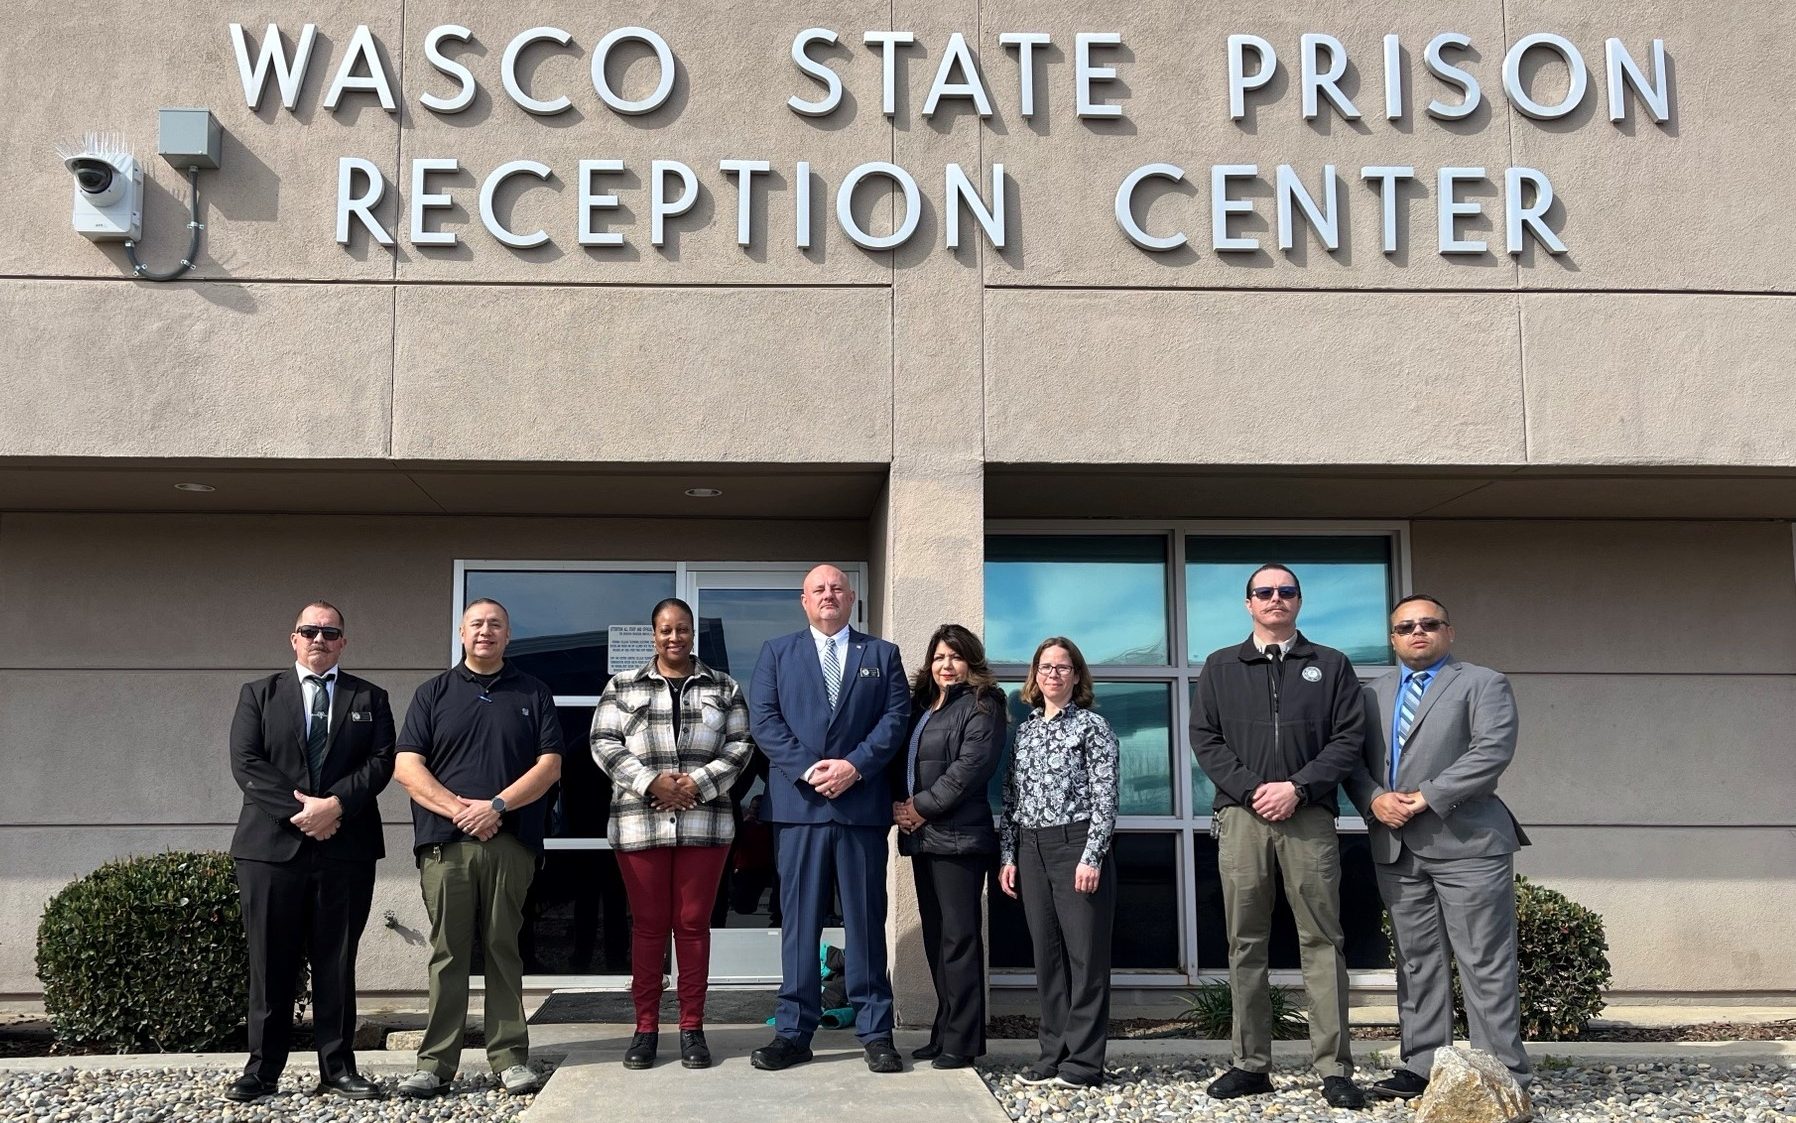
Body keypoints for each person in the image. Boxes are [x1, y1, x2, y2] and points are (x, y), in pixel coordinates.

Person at [1191, 564, 1368, 1109]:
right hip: (1242, 819)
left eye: (1285, 591)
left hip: (1308, 816)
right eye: (1264, 592)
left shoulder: (1332, 666)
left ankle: (1334, 1068)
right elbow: (1206, 738)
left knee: (1322, 940)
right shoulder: (1221, 666)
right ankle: (1251, 1064)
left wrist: (1297, 786)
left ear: (1299, 601)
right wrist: (1252, 791)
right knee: (1246, 942)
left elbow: (1348, 739)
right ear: (1248, 604)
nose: (1275, 599)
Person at [1346, 595, 1531, 1098]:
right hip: (1396, 847)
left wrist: (1429, 795)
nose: (1417, 633)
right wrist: (1374, 799)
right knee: (1415, 959)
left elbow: (1491, 751)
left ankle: (1501, 1073)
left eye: (1429, 624)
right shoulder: (1370, 695)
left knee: (1484, 960)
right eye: (1406, 627)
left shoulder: (1482, 682)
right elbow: (1352, 761)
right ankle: (1421, 1066)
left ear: (1449, 632)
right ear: (1393, 638)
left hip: (1467, 842)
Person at [393, 599, 563, 1099]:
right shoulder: (433, 694)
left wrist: (496, 806)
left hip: (510, 843)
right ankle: (434, 1064)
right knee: (448, 953)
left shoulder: (533, 691)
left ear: (509, 635)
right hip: (447, 847)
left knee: (502, 949)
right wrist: (458, 810)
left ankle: (510, 1057)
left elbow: (550, 766)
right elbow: (407, 767)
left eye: (495, 624)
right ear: (462, 633)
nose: (485, 631)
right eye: (476, 624)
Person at [224, 602, 394, 1104]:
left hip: (346, 850)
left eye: (330, 632)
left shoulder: (371, 697)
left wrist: (335, 806)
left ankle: (338, 1069)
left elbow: (383, 761)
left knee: (337, 960)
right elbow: (246, 761)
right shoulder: (258, 694)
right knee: (269, 962)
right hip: (270, 850)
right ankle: (261, 1071)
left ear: (343, 642)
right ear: (293, 639)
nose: (319, 638)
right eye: (309, 631)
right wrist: (302, 813)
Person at [746, 564, 909, 1073]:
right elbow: (764, 720)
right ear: (804, 600)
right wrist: (810, 770)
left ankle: (876, 1031)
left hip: (859, 810)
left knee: (865, 921)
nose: (828, 595)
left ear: (852, 597)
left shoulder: (882, 655)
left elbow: (896, 718)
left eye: (837, 587)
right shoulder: (777, 652)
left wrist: (854, 767)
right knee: (800, 924)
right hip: (801, 809)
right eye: (819, 589)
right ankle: (793, 1032)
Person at [590, 597, 755, 1071]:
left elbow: (741, 745)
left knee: (692, 926)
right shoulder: (622, 685)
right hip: (640, 823)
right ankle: (644, 1029)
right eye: (666, 630)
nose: (674, 638)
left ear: (692, 634)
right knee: (647, 926)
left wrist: (696, 786)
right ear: (653, 635)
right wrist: (651, 783)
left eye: (682, 629)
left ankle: (691, 1028)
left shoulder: (724, 687)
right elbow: (603, 742)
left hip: (705, 825)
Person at [997, 636, 1118, 1090]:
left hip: (1076, 845)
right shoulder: (1024, 729)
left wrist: (1092, 855)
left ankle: (1084, 1064)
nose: (1053, 674)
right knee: (1047, 957)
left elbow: (1107, 797)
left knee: (1085, 958)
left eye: (1063, 667)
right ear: (1034, 675)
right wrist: (1009, 855)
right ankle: (1053, 1054)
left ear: (1076, 675)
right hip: (1030, 848)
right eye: (1045, 667)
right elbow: (1011, 798)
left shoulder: (1092, 727)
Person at [889, 624, 1006, 1070]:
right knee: (939, 941)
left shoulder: (983, 704)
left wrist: (919, 808)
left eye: (955, 657)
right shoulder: (924, 706)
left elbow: (969, 769)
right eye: (939, 657)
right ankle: (944, 1030)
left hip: (959, 839)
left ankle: (964, 1041)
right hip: (924, 839)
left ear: (970, 661)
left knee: (960, 940)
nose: (946, 665)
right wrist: (900, 809)